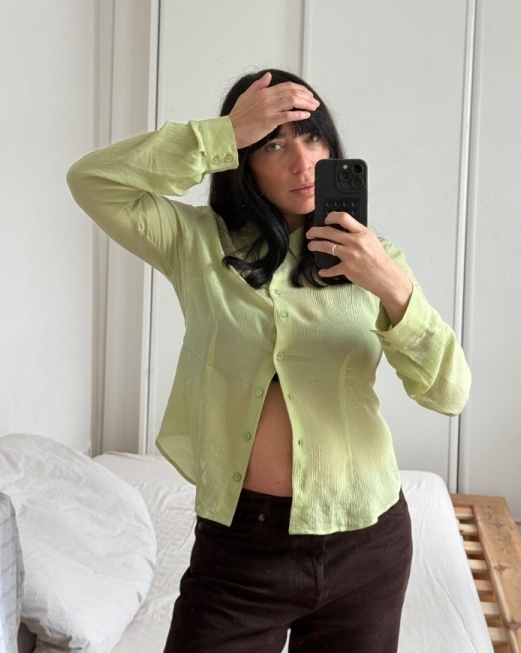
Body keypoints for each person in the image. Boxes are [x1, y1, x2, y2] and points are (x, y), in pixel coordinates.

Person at [67, 68, 471, 653]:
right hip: (241, 547)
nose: (302, 163)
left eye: (311, 137)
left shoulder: (377, 262)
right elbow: (93, 181)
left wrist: (392, 287)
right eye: (273, 144)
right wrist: (221, 134)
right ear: (244, 161)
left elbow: (449, 393)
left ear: (331, 147)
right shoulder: (196, 243)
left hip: (367, 542)